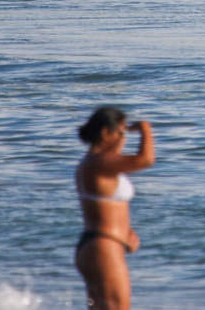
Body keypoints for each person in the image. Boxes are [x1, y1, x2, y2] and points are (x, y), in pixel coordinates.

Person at [75, 107, 155, 310]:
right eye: (120, 132)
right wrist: (146, 129)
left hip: (98, 244)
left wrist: (125, 232)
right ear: (105, 133)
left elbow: (105, 207)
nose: (124, 138)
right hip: (104, 247)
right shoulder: (98, 163)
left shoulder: (92, 163)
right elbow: (145, 159)